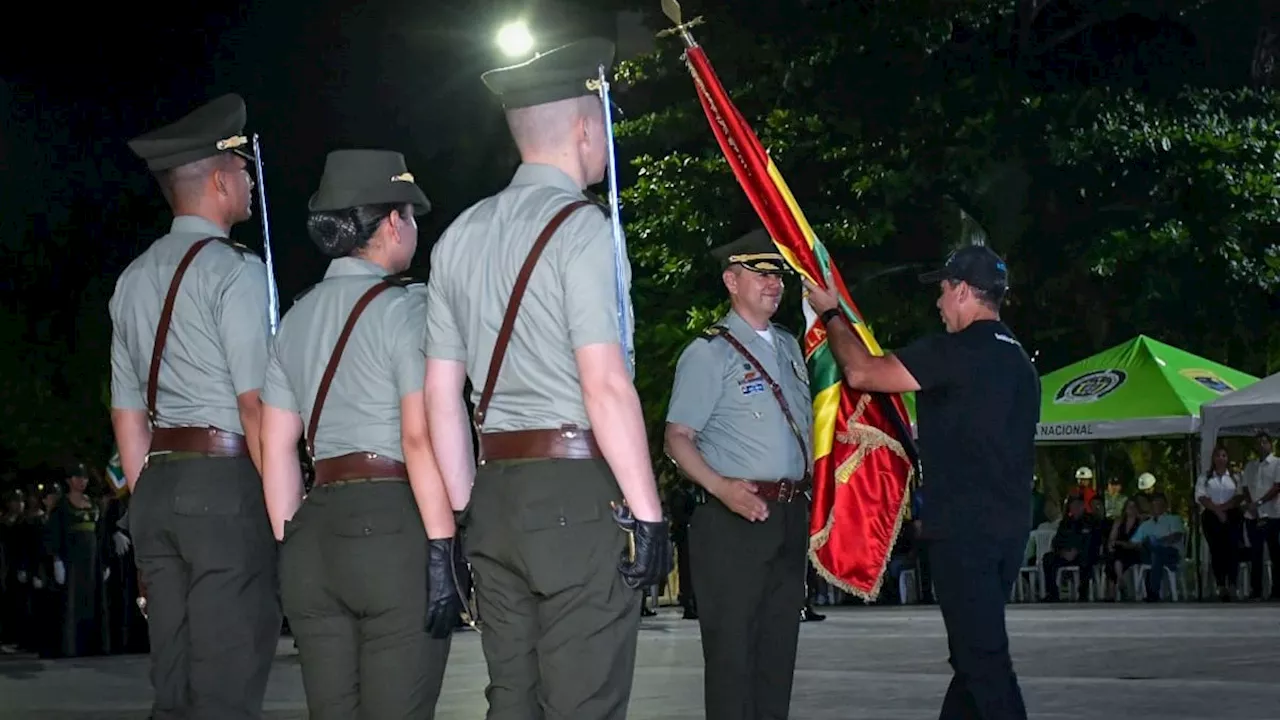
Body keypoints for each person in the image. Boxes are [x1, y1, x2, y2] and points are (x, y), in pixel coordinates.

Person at [421, 37, 671, 719]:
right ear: (587, 127)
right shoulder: (586, 230)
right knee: (583, 698)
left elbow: (442, 398)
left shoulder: (456, 238)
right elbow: (606, 385)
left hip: (495, 495)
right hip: (575, 494)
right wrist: (648, 513)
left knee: (512, 700)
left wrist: (474, 505)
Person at [259, 150, 463, 718]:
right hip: (393, 526)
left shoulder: (294, 320)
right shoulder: (408, 308)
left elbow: (275, 447)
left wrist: (289, 541)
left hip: (312, 537)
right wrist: (444, 546)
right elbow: (418, 438)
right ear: (393, 222)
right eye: (412, 216)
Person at [803, 245, 1037, 720]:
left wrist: (830, 314)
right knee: (973, 655)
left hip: (964, 530)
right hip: (1008, 529)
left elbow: (861, 372)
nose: (939, 302)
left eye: (945, 290)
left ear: (966, 293)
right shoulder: (1019, 361)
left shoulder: (957, 351)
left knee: (984, 662)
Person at [109, 93, 280, 720]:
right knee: (227, 682)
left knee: (174, 682)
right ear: (216, 180)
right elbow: (256, 406)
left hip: (156, 489)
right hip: (226, 485)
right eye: (241, 172)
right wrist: (284, 512)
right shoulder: (235, 273)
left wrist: (145, 500)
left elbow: (128, 415)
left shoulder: (130, 280)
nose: (249, 185)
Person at [664, 230, 813, 720]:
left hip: (789, 514)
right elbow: (678, 438)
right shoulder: (710, 353)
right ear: (731, 280)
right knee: (732, 658)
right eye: (761, 274)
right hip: (733, 519)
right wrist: (720, 487)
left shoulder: (790, 346)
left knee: (777, 655)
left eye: (778, 276)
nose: (774, 284)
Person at [1240, 431, 1279, 600]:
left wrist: (1260, 503)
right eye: (1258, 443)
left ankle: (1277, 590)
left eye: (1264, 442)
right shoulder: (1251, 466)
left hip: (1273, 514)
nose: (1261, 445)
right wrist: (1251, 505)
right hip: (1253, 516)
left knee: (1275, 553)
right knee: (1255, 553)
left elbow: (1277, 487)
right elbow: (1246, 488)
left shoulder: (1277, 463)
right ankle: (1256, 590)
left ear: (1270, 444)